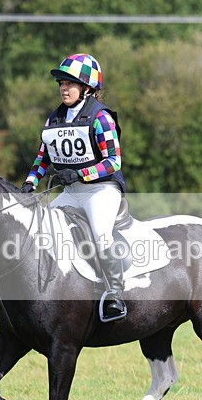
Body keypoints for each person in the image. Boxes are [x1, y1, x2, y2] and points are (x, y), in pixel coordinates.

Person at [20, 53, 127, 322]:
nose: (63, 88)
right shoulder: (54, 119)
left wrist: (81, 173)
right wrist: (29, 184)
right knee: (40, 230)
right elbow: (42, 159)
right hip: (70, 193)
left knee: (101, 235)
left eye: (70, 83)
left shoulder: (101, 118)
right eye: (61, 83)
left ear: (87, 88)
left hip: (100, 191)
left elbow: (113, 161)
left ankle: (115, 293)